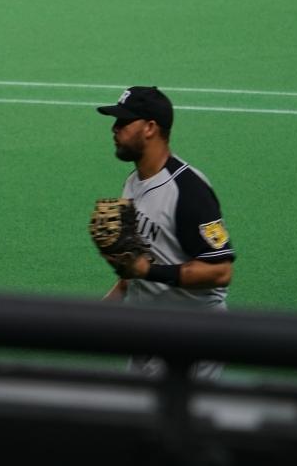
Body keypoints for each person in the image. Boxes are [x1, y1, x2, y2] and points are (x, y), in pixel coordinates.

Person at [95, 86, 235, 379]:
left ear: (150, 128)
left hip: (191, 337)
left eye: (124, 122)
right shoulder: (133, 182)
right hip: (148, 330)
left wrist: (148, 271)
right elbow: (133, 268)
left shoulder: (188, 191)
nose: (114, 128)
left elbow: (220, 271)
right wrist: (102, 310)